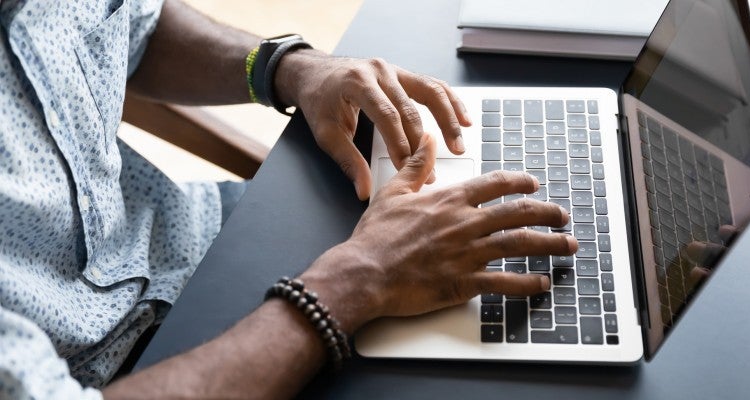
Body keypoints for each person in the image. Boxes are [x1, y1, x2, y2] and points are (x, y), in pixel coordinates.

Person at [0, 0, 577, 398]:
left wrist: (284, 68)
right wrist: (356, 279)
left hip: (190, 238)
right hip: (118, 370)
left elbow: (132, 23)